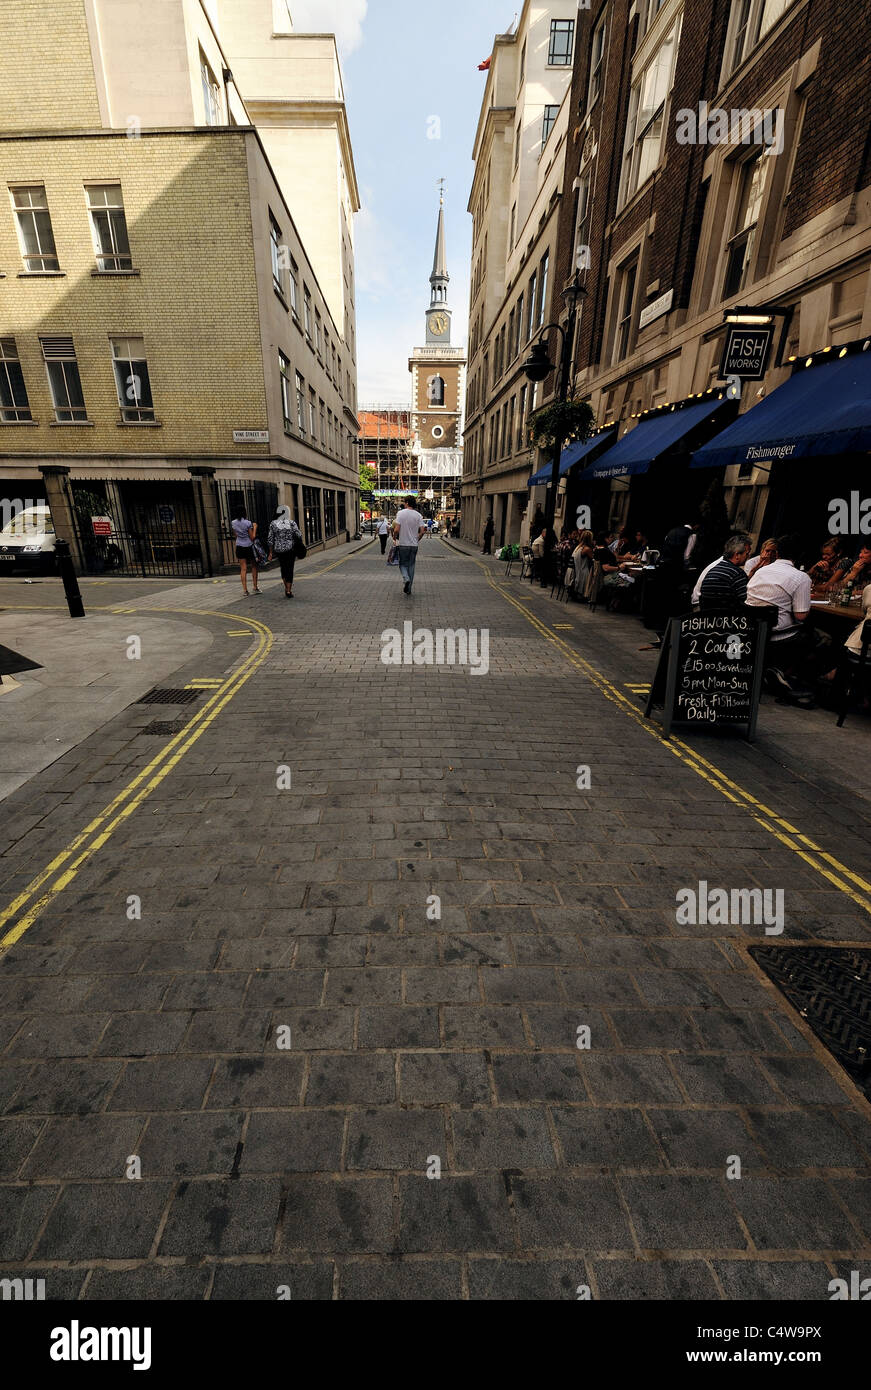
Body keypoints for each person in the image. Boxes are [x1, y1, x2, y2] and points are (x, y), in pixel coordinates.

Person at [746, 533, 821, 690]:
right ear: (800, 556)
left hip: (751, 629)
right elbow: (800, 616)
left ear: (777, 553)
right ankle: (783, 674)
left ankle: (776, 671)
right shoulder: (801, 577)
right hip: (776, 636)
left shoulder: (761, 571)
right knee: (817, 637)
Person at [694, 534, 752, 611]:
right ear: (737, 555)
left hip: (708, 617)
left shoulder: (712, 570)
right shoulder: (738, 574)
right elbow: (746, 601)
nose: (748, 557)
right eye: (747, 554)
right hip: (728, 619)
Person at [267, 507, 303, 599]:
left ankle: (286, 587)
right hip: (290, 549)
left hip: (279, 550)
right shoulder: (291, 523)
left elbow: (270, 539)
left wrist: (270, 553)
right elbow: (299, 535)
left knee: (283, 568)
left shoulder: (273, 524)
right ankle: (288, 590)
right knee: (290, 569)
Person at [393, 496, 426, 595]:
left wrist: (394, 537)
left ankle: (406, 579)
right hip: (414, 545)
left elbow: (396, 529)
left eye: (404, 502)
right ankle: (409, 589)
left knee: (402, 564)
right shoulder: (418, 515)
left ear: (407, 503)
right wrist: (417, 539)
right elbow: (423, 530)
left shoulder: (401, 513)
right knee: (411, 566)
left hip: (403, 544)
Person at [231, 507, 260, 597]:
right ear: (244, 513)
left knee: (243, 568)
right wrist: (255, 527)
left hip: (239, 546)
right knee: (254, 566)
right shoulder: (248, 523)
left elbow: (235, 535)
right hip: (249, 547)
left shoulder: (233, 523)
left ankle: (245, 590)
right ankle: (255, 588)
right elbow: (252, 537)